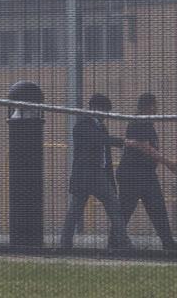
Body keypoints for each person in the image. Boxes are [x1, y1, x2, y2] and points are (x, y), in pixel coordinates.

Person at [60, 94, 132, 250]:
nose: (106, 115)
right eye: (104, 111)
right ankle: (64, 244)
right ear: (94, 109)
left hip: (99, 175)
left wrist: (110, 180)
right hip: (88, 174)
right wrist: (121, 142)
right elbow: (97, 139)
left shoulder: (101, 127)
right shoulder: (82, 125)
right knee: (78, 211)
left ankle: (123, 243)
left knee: (113, 208)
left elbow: (106, 155)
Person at [117, 93, 177, 251]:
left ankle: (168, 243)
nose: (156, 108)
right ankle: (115, 242)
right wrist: (168, 163)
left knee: (157, 207)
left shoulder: (147, 124)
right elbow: (146, 148)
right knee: (125, 209)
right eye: (154, 105)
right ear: (148, 106)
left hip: (146, 174)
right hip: (133, 174)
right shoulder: (140, 122)